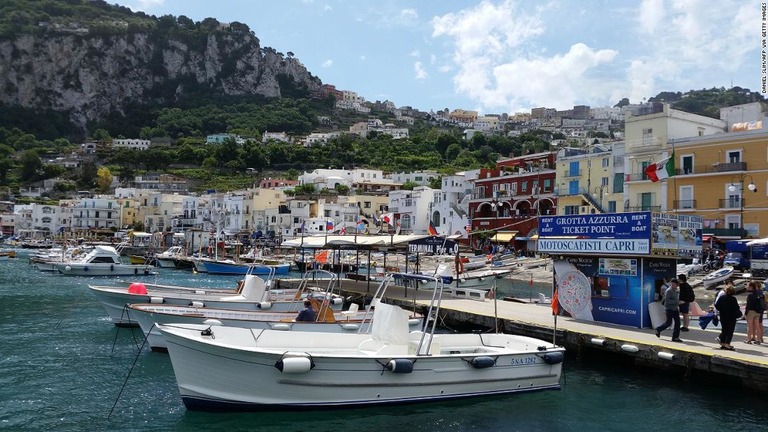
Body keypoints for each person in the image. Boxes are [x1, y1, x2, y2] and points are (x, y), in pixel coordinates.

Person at [715, 285, 742, 350]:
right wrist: (739, 314)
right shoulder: (733, 299)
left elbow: (717, 305)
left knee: (724, 329)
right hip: (731, 317)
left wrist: (721, 310)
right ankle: (727, 344)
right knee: (730, 331)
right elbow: (736, 308)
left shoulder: (722, 297)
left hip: (723, 316)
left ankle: (723, 343)